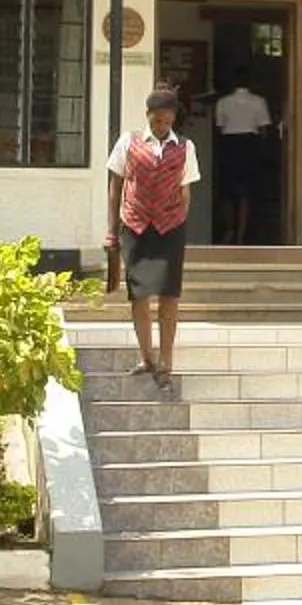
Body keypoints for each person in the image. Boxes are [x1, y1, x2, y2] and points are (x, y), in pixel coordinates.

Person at [106, 87, 198, 388]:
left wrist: (176, 220)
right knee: (139, 295)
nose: (161, 125)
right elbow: (116, 186)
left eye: (167, 120)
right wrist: (112, 230)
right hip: (134, 227)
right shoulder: (128, 142)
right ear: (148, 116)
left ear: (173, 118)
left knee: (169, 296)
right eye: (157, 120)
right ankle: (147, 357)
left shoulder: (185, 147)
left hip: (169, 229)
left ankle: (166, 363)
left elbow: (186, 192)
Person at [211, 74, 274, 245]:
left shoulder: (223, 102)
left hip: (229, 144)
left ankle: (229, 229)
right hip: (250, 145)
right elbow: (264, 129)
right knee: (246, 192)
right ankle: (241, 234)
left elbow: (219, 126)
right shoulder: (259, 101)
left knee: (227, 191)